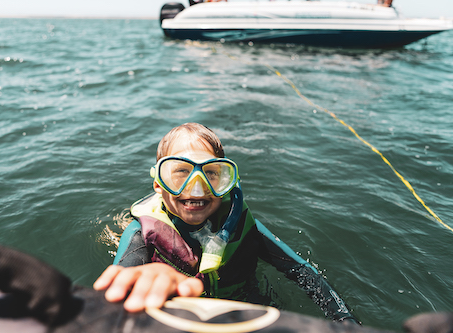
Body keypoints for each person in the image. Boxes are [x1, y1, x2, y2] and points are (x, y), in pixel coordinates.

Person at [94, 123, 359, 323]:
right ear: (158, 185)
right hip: (180, 314)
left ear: (226, 183)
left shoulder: (243, 225)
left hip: (247, 309)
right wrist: (141, 280)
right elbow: (121, 284)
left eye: (210, 174)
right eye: (180, 174)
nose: (196, 189)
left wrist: (345, 322)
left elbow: (303, 272)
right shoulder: (142, 232)